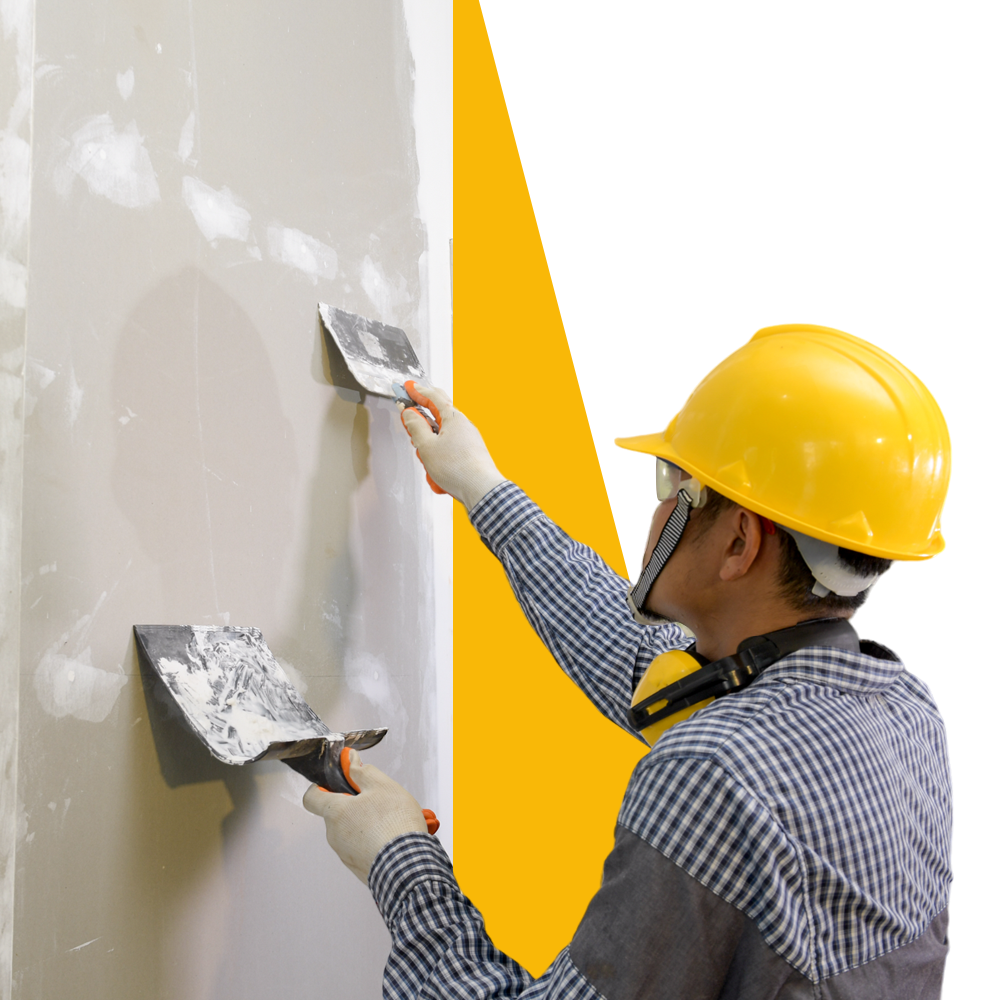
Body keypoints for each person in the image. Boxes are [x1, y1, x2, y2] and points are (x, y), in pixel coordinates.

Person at [303, 324, 953, 999]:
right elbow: (646, 661)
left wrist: (399, 858)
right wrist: (483, 488)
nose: (659, 508)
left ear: (738, 544)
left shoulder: (711, 774)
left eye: (681, 487)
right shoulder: (901, 712)